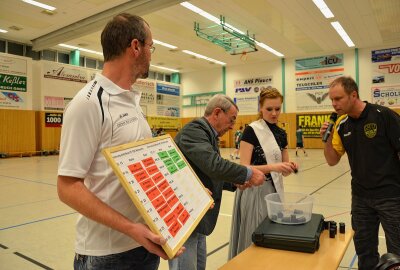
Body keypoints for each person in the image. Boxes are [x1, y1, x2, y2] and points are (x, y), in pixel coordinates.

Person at [57, 13, 183, 270]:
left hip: (145, 244)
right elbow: (67, 186)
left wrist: (186, 194)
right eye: (151, 46)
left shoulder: (131, 101)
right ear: (135, 47)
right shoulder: (88, 104)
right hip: (107, 256)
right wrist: (130, 228)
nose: (151, 53)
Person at [169, 94, 266, 270]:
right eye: (231, 120)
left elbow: (207, 171)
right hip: (185, 217)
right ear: (217, 113)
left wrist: (233, 183)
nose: (233, 126)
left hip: (197, 216)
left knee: (198, 266)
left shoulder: (208, 134)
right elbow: (214, 166)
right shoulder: (194, 131)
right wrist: (247, 173)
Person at [320, 76, 400, 270]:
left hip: (391, 197)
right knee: (364, 251)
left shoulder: (383, 115)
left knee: (397, 252)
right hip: (360, 199)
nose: (334, 104)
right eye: (332, 100)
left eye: (338, 98)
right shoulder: (341, 125)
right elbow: (332, 160)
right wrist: (327, 138)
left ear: (353, 95)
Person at [229, 88, 299, 259]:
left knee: (271, 237)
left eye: (278, 108)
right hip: (253, 190)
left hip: (274, 191)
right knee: (253, 238)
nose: (274, 113)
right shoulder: (251, 130)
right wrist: (274, 167)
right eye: (269, 109)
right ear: (260, 107)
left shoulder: (282, 134)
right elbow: (244, 168)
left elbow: (284, 171)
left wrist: (290, 167)